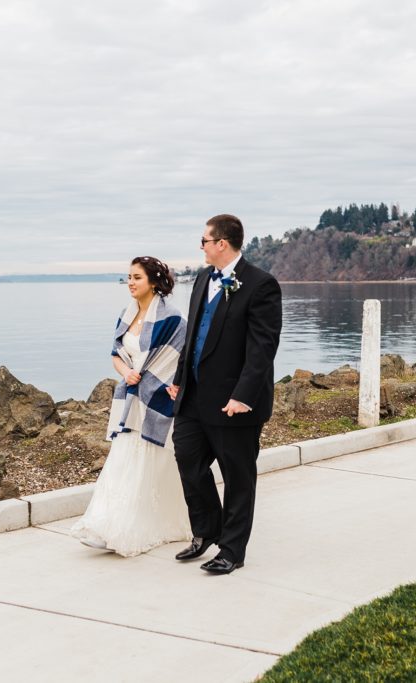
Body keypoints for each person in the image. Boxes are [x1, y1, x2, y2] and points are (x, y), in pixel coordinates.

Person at [167, 214, 282, 575]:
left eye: (203, 240)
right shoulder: (203, 279)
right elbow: (193, 337)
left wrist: (243, 395)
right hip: (194, 396)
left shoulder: (261, 285)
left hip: (235, 402)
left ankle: (232, 550)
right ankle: (205, 531)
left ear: (221, 244)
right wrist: (178, 378)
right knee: (188, 460)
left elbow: (263, 347)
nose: (200, 246)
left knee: (237, 477)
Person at [71, 256, 192, 556]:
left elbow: (182, 357)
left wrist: (168, 383)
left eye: (137, 277)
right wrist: (126, 373)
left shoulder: (172, 318)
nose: (130, 283)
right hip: (129, 398)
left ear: (153, 281)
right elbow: (116, 353)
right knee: (123, 459)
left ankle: (141, 525)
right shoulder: (126, 315)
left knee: (150, 462)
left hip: (156, 398)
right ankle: (107, 524)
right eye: (128, 277)